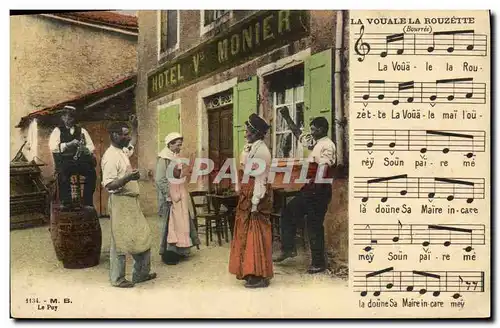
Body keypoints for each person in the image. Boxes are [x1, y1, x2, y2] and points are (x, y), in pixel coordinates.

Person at [273, 107, 336, 274]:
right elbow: (297, 134)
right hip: (310, 189)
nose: (312, 131)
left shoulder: (327, 145)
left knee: (314, 226)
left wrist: (314, 190)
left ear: (322, 129)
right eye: (312, 129)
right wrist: (286, 117)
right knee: (288, 213)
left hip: (319, 190)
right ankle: (289, 249)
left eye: (314, 129)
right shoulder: (315, 142)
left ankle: (318, 263)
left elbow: (323, 168)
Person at [101, 122, 157, 288]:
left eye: (128, 133)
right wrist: (128, 178)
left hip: (131, 201)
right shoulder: (110, 157)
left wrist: (133, 127)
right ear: (114, 135)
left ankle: (141, 274)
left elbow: (131, 145)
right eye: (125, 134)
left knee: (142, 235)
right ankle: (117, 279)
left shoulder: (122, 151)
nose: (128, 137)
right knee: (120, 241)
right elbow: (109, 185)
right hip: (120, 202)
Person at [229, 113, 273, 288]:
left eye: (248, 131)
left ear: (255, 133)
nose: (245, 133)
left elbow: (261, 178)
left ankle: (259, 274)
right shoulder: (252, 148)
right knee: (246, 233)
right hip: (248, 193)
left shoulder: (261, 151)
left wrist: (255, 202)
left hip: (257, 195)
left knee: (256, 234)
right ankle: (250, 271)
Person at [155, 132, 200, 265]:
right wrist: (168, 195)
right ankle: (169, 253)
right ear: (170, 144)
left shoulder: (175, 157)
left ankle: (181, 251)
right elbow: (160, 179)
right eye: (177, 145)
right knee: (170, 225)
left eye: (180, 145)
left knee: (181, 223)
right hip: (169, 196)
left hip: (179, 193)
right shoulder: (164, 158)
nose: (179, 148)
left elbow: (178, 175)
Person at [49, 105, 97, 210]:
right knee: (63, 173)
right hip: (64, 162)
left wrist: (85, 149)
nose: (70, 120)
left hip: (79, 162)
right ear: (62, 118)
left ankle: (87, 202)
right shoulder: (57, 131)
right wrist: (69, 144)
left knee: (91, 172)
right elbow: (53, 148)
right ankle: (66, 203)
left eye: (72, 118)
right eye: (67, 117)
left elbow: (91, 147)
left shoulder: (82, 131)